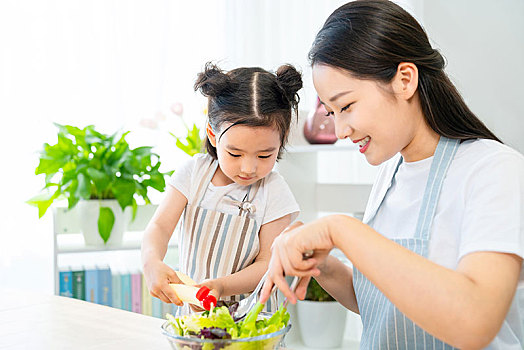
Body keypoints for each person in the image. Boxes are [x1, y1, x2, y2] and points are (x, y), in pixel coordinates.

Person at [260, 1, 524, 349]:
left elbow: (475, 321)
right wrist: (324, 265)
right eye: (332, 111)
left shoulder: (494, 170)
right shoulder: (390, 175)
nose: (340, 129)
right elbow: (386, 306)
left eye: (347, 106)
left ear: (404, 80)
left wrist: (340, 229)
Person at [142, 62, 302, 314]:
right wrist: (151, 262)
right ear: (213, 135)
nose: (248, 168)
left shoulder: (274, 190)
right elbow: (160, 227)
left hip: (252, 320)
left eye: (264, 155)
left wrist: (221, 286)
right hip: (195, 316)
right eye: (235, 153)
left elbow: (267, 263)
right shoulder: (194, 174)